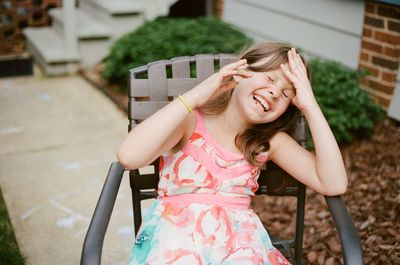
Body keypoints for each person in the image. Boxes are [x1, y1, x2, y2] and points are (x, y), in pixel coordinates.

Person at [117, 42, 348, 265]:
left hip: (239, 249)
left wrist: (310, 106)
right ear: (241, 72)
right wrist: (195, 97)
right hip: (174, 242)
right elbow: (129, 157)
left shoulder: (267, 142)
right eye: (270, 78)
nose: (275, 92)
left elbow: (333, 184)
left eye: (287, 94)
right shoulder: (189, 121)